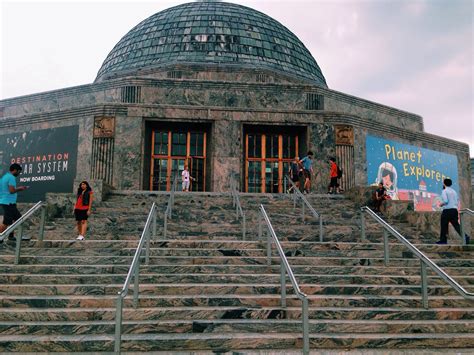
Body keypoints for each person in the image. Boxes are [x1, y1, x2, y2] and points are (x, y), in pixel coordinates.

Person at [0, 164, 29, 242]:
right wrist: (20, 188)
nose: (19, 174)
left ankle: (11, 236)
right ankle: (1, 236)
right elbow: (12, 190)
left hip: (7, 202)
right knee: (7, 221)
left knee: (17, 219)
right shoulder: (11, 177)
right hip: (8, 202)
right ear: (15, 170)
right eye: (19, 171)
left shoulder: (4, 177)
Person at [437, 178, 469, 245]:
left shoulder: (444, 191)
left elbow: (445, 201)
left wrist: (440, 204)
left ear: (444, 183)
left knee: (444, 225)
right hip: (454, 210)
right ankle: (465, 236)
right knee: (456, 225)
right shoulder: (454, 191)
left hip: (447, 211)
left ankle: (443, 240)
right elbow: (457, 201)